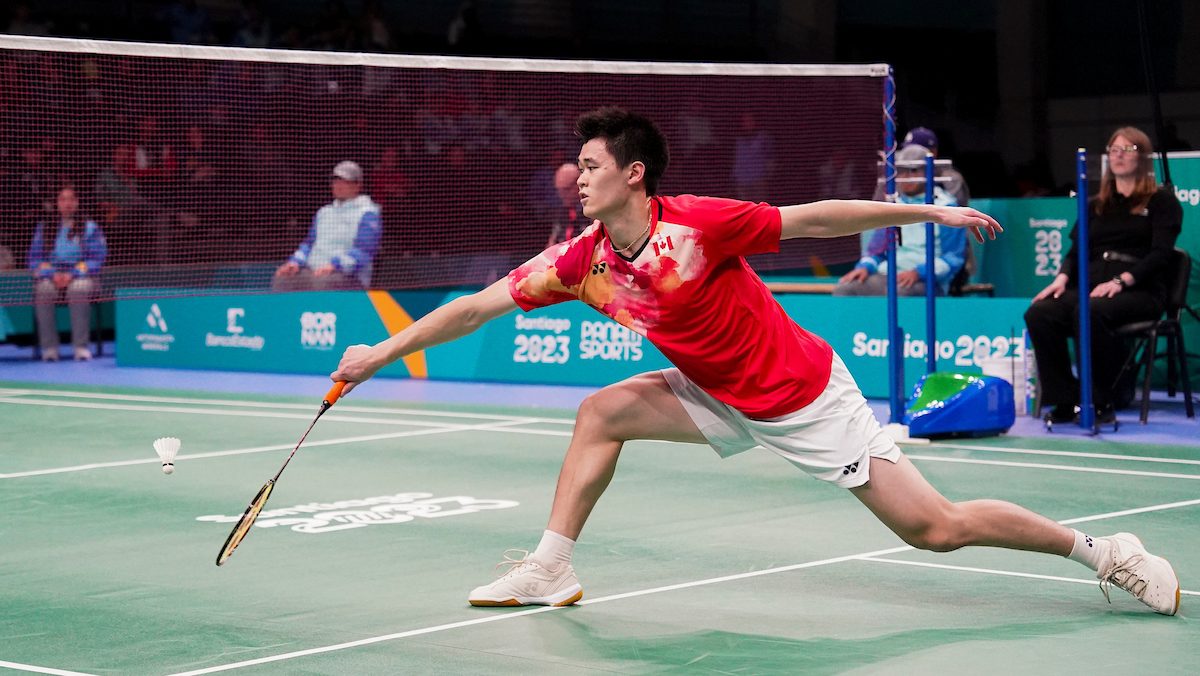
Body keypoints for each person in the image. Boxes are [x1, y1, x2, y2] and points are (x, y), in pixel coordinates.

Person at [332, 108, 1180, 615]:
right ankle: (549, 566)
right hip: (712, 390)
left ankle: (1105, 552)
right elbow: (478, 305)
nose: (576, 180)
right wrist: (382, 352)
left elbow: (814, 218)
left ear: (633, 174)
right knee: (601, 413)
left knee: (935, 530)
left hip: (804, 397)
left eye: (590, 167)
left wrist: (929, 214)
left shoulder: (696, 223)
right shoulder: (582, 260)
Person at [1024, 126, 1183, 425]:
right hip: (1092, 286)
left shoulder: (1161, 202)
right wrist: (1061, 278)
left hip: (1140, 291)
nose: (1120, 155)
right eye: (1114, 150)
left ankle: (1100, 398)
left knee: (1088, 311)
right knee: (1040, 313)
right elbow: (1075, 252)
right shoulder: (1094, 205)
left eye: (1129, 149)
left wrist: (1122, 281)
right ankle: (1064, 399)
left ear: (1143, 158)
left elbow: (1161, 255)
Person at [834, 144, 966, 296]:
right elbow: (877, 250)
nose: (906, 177)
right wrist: (865, 266)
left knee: (900, 292)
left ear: (928, 172)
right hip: (888, 275)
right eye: (901, 171)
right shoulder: (892, 205)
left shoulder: (946, 207)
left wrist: (919, 273)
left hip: (927, 280)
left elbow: (953, 258)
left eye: (913, 171)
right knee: (846, 289)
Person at [273, 161, 381, 291]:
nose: (338, 186)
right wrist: (294, 262)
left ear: (357, 185)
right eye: (336, 181)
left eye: (344, 181)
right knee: (283, 279)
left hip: (348, 276)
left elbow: (364, 252)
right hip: (315, 271)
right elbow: (309, 244)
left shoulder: (368, 213)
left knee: (322, 282)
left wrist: (334, 265)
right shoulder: (324, 212)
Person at [28, 185, 107, 361]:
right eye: (63, 199)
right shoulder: (45, 227)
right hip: (52, 277)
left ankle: (80, 347)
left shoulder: (90, 227)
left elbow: (97, 258)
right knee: (43, 290)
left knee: (78, 289)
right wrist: (51, 274)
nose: (67, 203)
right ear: (56, 203)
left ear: (78, 202)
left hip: (82, 277)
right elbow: (34, 259)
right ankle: (49, 349)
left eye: (71, 199)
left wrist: (72, 274)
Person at [901, 126, 970, 206]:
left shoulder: (949, 178)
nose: (909, 154)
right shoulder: (900, 174)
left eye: (916, 151)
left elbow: (958, 209)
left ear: (933, 152)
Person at [544, 162, 590, 247]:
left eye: (566, 190)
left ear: (578, 185)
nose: (562, 195)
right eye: (559, 190)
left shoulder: (592, 211)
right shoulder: (562, 213)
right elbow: (552, 243)